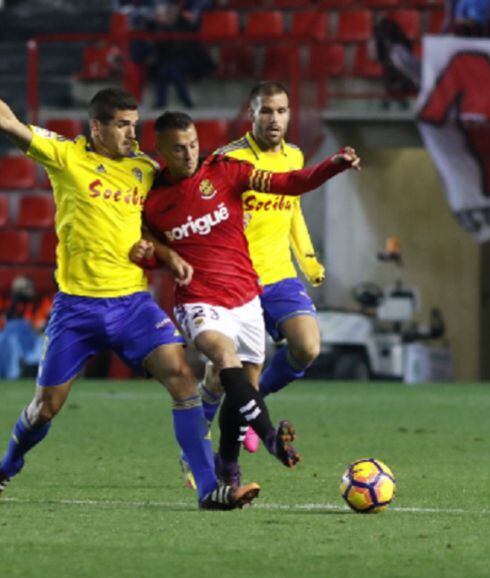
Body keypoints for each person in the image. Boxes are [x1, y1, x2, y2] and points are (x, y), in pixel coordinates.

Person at [0, 48, 259, 510]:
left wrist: (162, 252)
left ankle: (209, 490)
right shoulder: (66, 156)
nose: (133, 133)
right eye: (123, 125)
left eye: (135, 124)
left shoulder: (145, 170)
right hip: (78, 308)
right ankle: (3, 470)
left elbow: (162, 220)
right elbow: (7, 121)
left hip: (132, 305)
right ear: (97, 127)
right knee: (46, 407)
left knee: (183, 379)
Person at [135, 111, 360, 488]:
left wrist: (331, 166)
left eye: (193, 145)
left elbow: (289, 182)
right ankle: (270, 436)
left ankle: (228, 465)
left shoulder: (226, 171)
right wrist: (162, 254)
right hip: (198, 300)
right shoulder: (152, 198)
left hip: (245, 298)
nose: (189, 155)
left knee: (243, 388)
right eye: (178, 149)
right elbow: (144, 245)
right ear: (160, 150)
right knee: (225, 360)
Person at [195, 82, 334, 466]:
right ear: (252, 114)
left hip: (278, 275)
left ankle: (256, 403)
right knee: (218, 377)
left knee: (307, 347)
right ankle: (196, 444)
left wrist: (309, 261)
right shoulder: (227, 160)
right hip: (235, 280)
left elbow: (293, 211)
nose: (275, 119)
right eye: (267, 111)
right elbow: (202, 211)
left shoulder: (294, 155)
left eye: (282, 111)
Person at [0, 275, 53, 379]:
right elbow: (0, 322)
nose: (22, 291)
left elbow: (39, 322)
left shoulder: (40, 302)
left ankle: (30, 368)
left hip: (34, 336)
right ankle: (14, 372)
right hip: (12, 336)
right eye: (19, 289)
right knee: (8, 339)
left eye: (26, 288)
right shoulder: (9, 303)